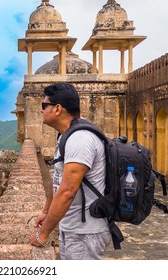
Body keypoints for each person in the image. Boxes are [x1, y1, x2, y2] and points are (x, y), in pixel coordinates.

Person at [28, 82, 111, 260]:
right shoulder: (66, 135)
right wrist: (46, 211)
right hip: (73, 228)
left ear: (57, 109)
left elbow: (67, 191)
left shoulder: (80, 139)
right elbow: (57, 178)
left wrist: (42, 234)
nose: (41, 110)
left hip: (85, 232)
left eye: (44, 105)